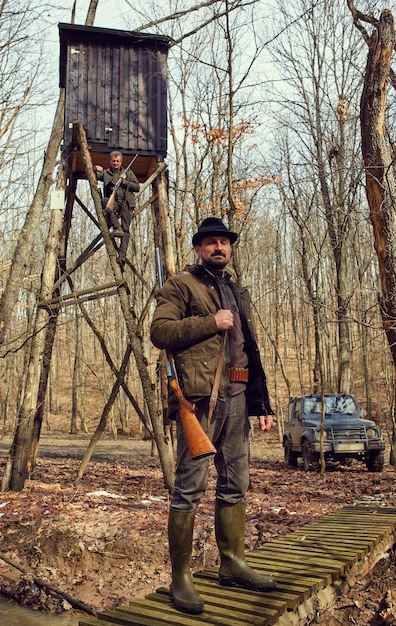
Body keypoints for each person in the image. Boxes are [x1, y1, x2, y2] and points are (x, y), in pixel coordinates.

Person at [150, 217, 276, 615]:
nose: (218, 248)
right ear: (198, 249)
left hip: (238, 397)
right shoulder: (181, 285)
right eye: (211, 243)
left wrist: (263, 405)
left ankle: (232, 563)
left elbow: (248, 351)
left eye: (224, 242)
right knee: (189, 487)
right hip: (201, 401)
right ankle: (181, 578)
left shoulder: (237, 291)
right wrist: (210, 322)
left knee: (236, 484)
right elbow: (160, 332)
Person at [95, 151, 140, 260]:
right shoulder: (106, 174)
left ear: (121, 162)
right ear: (110, 162)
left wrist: (125, 182)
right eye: (113, 161)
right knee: (105, 201)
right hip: (114, 202)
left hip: (126, 202)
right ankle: (116, 227)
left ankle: (122, 255)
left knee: (126, 229)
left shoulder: (128, 173)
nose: (115, 163)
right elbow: (92, 173)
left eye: (118, 161)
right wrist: (95, 167)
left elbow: (137, 187)